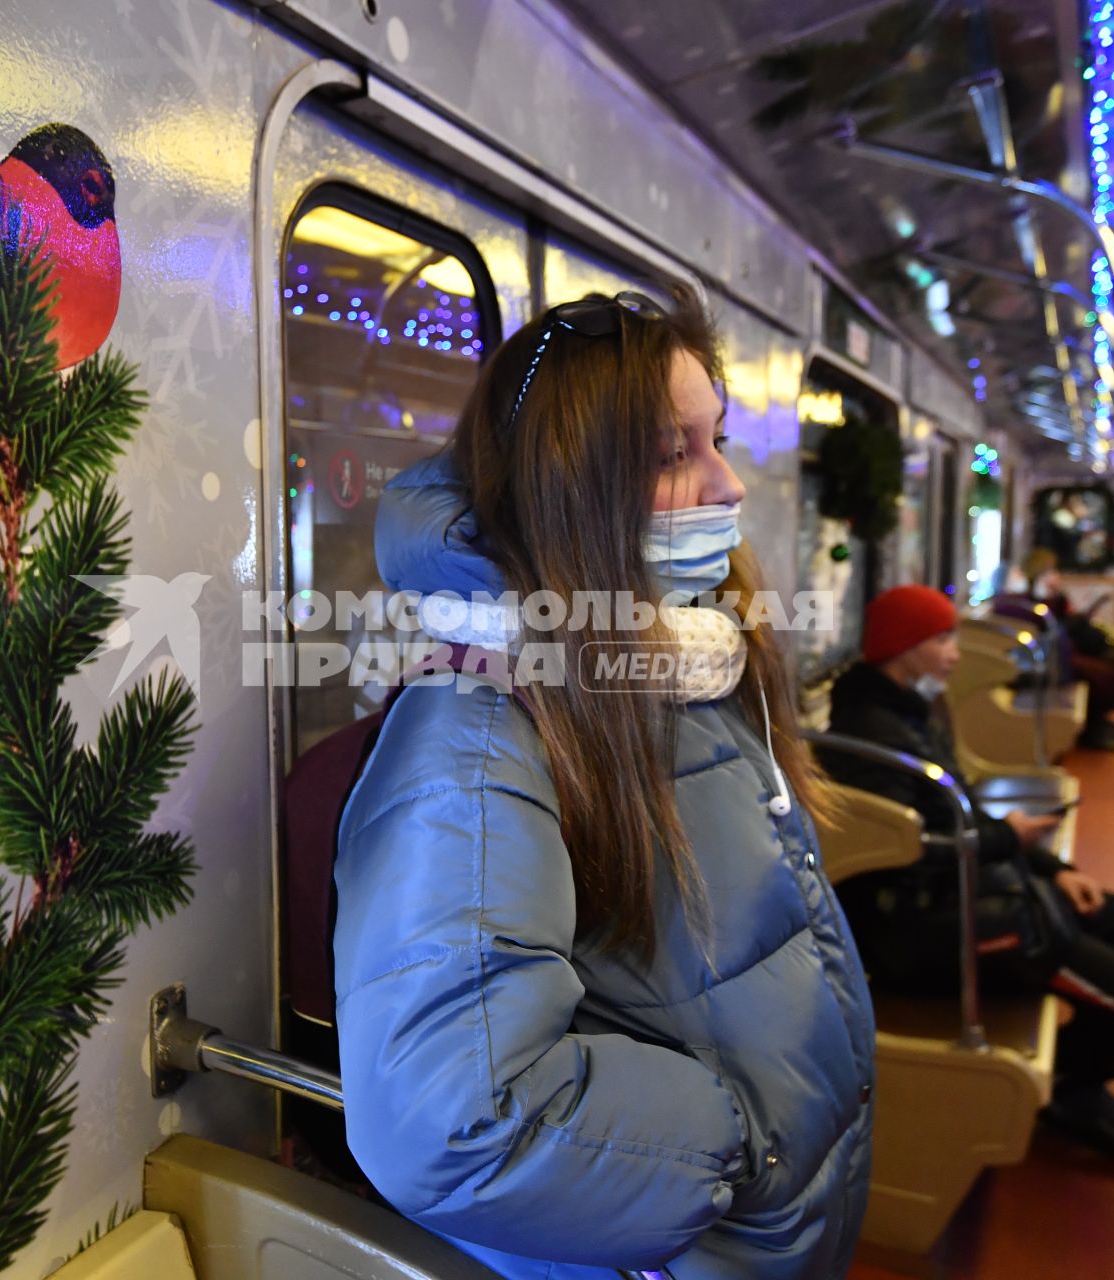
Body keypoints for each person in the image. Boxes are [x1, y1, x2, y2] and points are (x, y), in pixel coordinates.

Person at [332, 290, 876, 1279]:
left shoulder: (676, 663)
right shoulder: (482, 728)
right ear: (573, 484)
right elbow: (449, 1120)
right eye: (674, 454)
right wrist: (745, 1147)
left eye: (717, 441)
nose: (728, 486)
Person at [820, 585, 1114, 1165]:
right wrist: (1008, 840)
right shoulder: (871, 737)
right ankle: (1063, 1090)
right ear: (904, 647)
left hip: (968, 890)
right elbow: (907, 849)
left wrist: (1050, 865)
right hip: (925, 929)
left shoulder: (909, 712)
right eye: (943, 639)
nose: (956, 653)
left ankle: (1077, 1088)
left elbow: (959, 810)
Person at [996, 548, 1114, 751]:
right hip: (1043, 658)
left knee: (1105, 669)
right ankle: (1093, 729)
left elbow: (1063, 620)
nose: (1056, 577)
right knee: (1098, 673)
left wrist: (1055, 596)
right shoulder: (1019, 600)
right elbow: (1045, 624)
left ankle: (1097, 722)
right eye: (1051, 572)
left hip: (1057, 654)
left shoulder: (1054, 598)